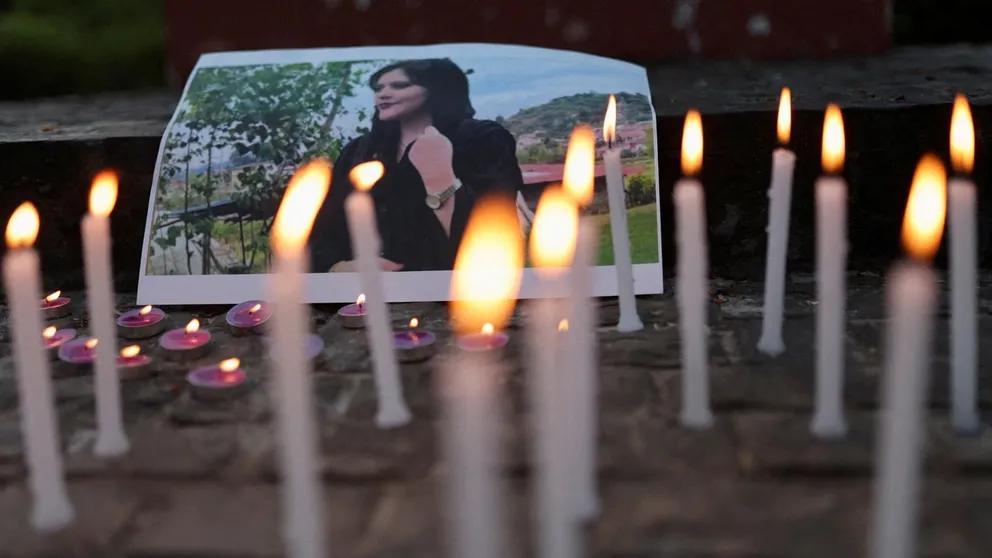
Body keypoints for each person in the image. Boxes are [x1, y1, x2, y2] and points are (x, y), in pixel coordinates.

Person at [309, 58, 524, 272]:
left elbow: (493, 230)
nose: (383, 94)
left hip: (456, 293)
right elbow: (326, 226)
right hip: (365, 296)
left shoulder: (482, 139)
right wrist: (339, 268)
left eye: (399, 85)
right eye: (378, 88)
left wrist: (440, 178)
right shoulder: (360, 150)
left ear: (435, 89)